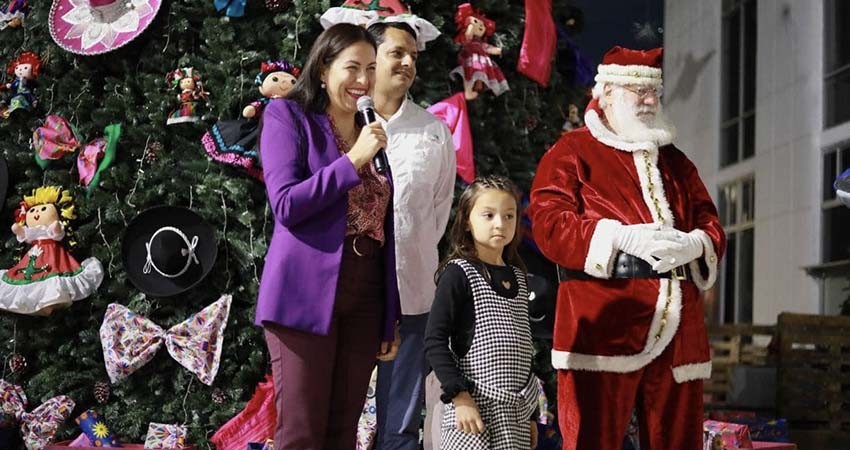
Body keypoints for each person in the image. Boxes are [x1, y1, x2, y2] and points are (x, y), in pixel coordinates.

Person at [528, 46, 726, 450]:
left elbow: (711, 222)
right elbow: (548, 224)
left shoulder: (676, 163)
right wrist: (618, 237)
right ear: (608, 93)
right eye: (639, 91)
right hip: (603, 326)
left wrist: (696, 244)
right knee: (592, 440)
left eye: (654, 92)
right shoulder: (571, 152)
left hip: (679, 329)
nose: (650, 100)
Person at [254, 23, 401, 450]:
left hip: (365, 293)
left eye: (371, 69)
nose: (363, 80)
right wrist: (352, 161)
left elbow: (383, 228)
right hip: (305, 292)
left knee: (343, 435)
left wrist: (388, 311)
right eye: (352, 67)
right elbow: (285, 204)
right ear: (322, 69)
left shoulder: (372, 133)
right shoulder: (288, 116)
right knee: (302, 433)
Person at [364, 21, 456, 450]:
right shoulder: (340, 122)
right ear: (371, 57)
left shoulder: (432, 130)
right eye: (397, 53)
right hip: (351, 292)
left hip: (412, 289)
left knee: (399, 424)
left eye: (413, 57)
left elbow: (439, 210)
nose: (406, 63)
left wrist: (413, 255)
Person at [425, 175, 539, 450]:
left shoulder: (520, 278)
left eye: (509, 216)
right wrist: (459, 397)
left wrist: (531, 415)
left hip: (515, 416)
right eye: (488, 215)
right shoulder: (458, 274)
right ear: (467, 220)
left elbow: (523, 345)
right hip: (472, 413)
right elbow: (434, 341)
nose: (500, 223)